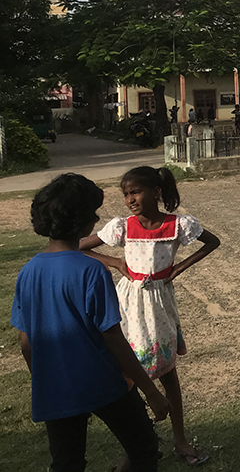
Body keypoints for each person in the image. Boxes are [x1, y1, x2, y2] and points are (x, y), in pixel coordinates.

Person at [11, 174, 170, 472]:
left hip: (56, 387)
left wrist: (45, 381)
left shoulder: (28, 272)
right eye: (93, 213)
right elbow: (112, 338)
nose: (97, 218)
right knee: (144, 449)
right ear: (81, 220)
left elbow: (26, 343)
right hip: (103, 383)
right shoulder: (91, 270)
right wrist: (150, 391)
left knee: (67, 462)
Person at [80, 166, 220, 468]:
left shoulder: (179, 225)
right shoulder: (123, 227)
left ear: (155, 192)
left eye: (136, 192)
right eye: (126, 194)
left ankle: (179, 439)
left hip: (160, 303)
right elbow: (77, 248)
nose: (130, 199)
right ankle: (137, 447)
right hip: (129, 302)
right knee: (129, 373)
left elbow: (213, 242)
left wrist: (179, 268)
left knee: (167, 371)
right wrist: (115, 261)